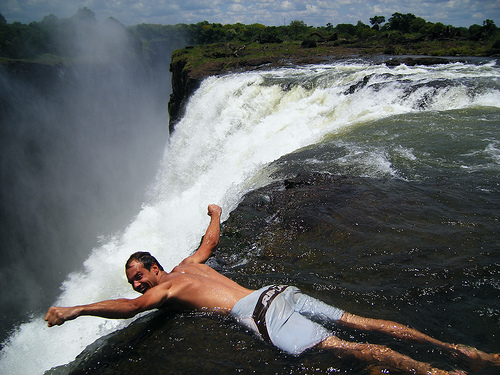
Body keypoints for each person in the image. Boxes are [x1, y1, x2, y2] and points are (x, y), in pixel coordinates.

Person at [45, 204, 499, 375]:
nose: (137, 284)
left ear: (154, 268)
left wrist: (75, 310)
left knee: (350, 348)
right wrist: (216, 214)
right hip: (278, 291)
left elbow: (128, 309)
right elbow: (209, 243)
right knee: (367, 323)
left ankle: (441, 374)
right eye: (133, 280)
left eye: (139, 275)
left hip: (261, 313)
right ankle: (464, 352)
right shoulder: (190, 263)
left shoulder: (165, 290)